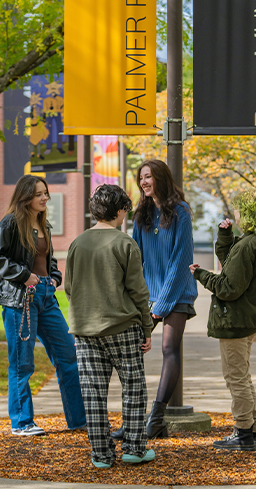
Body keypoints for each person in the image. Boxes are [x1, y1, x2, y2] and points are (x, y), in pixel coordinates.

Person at [0, 175, 86, 436]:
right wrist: (24, 276)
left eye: (46, 193)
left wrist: (54, 277)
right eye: (39, 194)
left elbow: (47, 260)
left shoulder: (44, 224)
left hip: (45, 295)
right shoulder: (10, 223)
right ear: (25, 197)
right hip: (21, 297)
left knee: (69, 357)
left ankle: (79, 420)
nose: (44, 198)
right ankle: (22, 422)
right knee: (22, 362)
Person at [65, 184, 155, 469]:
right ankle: (133, 449)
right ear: (119, 212)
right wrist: (147, 326)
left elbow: (69, 287)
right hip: (122, 328)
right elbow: (138, 291)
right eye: (124, 211)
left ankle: (101, 455)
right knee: (134, 388)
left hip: (84, 330)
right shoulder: (124, 243)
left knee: (92, 392)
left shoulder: (77, 243)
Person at [112, 159, 198, 440]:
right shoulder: (142, 213)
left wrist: (160, 308)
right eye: (141, 178)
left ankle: (157, 418)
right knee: (131, 352)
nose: (144, 182)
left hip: (178, 292)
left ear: (161, 176)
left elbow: (180, 261)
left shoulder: (181, 212)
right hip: (149, 295)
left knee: (168, 349)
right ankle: (132, 419)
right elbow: (135, 257)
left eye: (148, 176)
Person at [190, 189, 256, 451]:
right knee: (242, 376)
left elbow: (228, 287)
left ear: (247, 213)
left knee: (235, 378)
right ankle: (254, 430)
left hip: (235, 321)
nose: (234, 213)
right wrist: (225, 236)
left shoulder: (249, 244)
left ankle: (243, 432)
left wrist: (201, 275)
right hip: (247, 319)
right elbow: (231, 264)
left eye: (238, 209)